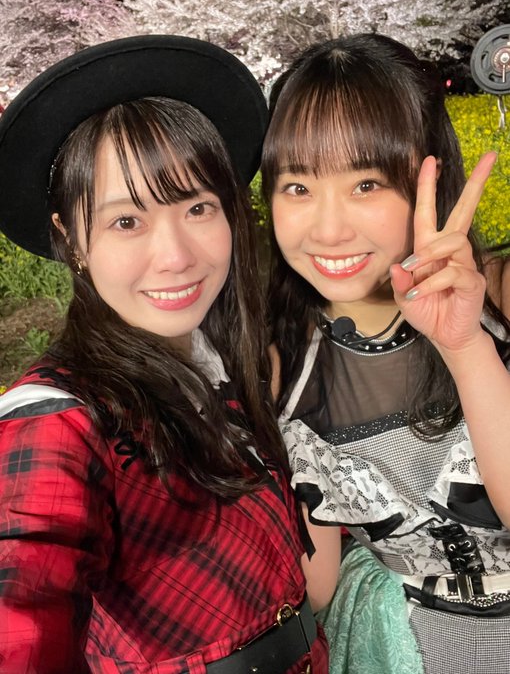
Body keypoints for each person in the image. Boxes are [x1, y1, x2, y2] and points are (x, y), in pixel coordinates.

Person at [0, 35, 328, 673]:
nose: (177, 256)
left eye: (198, 207)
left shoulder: (226, 364)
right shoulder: (61, 421)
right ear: (71, 238)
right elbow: (24, 604)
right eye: (126, 221)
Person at [261, 33, 510, 674]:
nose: (328, 229)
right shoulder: (281, 362)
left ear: (430, 176)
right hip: (406, 642)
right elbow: (315, 585)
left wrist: (466, 348)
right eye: (297, 187)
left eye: (366, 183)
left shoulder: (503, 296)